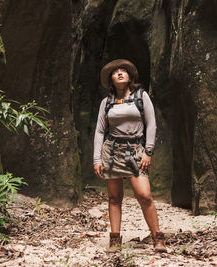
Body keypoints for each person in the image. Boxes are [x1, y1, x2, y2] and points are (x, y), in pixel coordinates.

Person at [93, 59, 167, 253]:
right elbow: (100, 131)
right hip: (112, 152)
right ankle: (115, 240)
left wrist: (148, 151)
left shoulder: (141, 97)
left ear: (129, 76)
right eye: (115, 71)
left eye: (123, 70)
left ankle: (157, 237)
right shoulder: (106, 102)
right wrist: (96, 159)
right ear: (110, 78)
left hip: (136, 150)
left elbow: (151, 124)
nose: (119, 73)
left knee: (144, 196)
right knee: (114, 198)